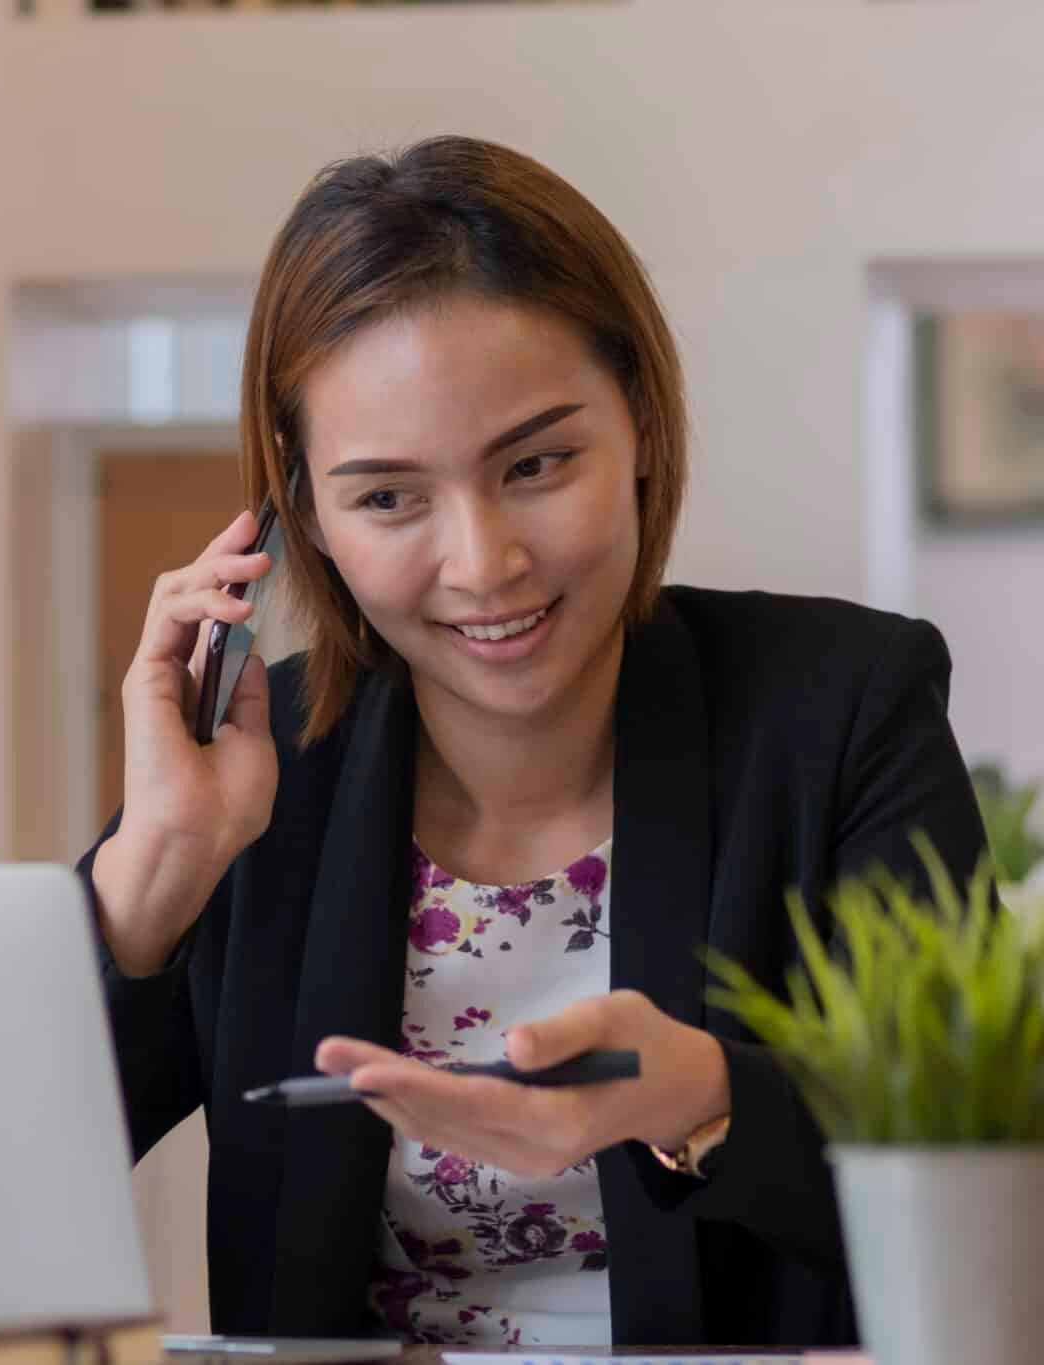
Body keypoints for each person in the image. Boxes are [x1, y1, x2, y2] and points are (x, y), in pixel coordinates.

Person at [79, 135, 988, 1351]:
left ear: (643, 430)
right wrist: (156, 872)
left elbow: (981, 1185)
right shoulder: (255, 772)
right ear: (302, 519)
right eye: (388, 497)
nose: (482, 563)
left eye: (536, 463)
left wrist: (702, 1100)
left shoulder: (838, 710)